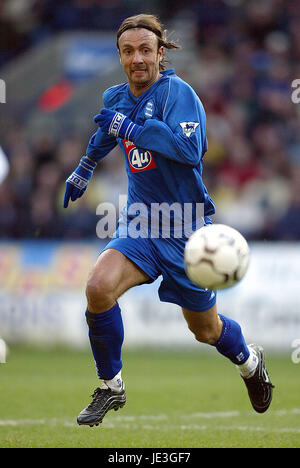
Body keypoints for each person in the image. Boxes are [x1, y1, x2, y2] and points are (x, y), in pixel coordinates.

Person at [63, 14, 274, 427]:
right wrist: (85, 165)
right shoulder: (116, 97)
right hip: (140, 223)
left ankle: (250, 363)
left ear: (160, 53)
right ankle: (111, 385)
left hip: (187, 229)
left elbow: (189, 150)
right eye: (128, 51)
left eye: (145, 49)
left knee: (206, 330)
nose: (137, 58)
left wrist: (130, 127)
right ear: (121, 57)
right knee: (98, 288)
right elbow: (107, 130)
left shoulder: (180, 94)